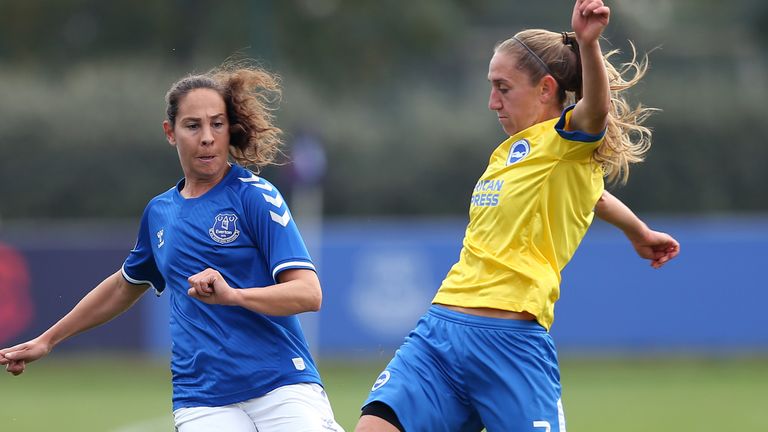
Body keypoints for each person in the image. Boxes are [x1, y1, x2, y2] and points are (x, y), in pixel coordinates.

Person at [355, 1, 680, 431]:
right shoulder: (514, 152)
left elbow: (596, 113)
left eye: (502, 87)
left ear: (546, 89)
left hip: (509, 344)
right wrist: (637, 231)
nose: (492, 102)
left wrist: (588, 44)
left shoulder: (567, 140)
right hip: (441, 333)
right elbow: (595, 196)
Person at [0, 61, 344, 432]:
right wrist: (48, 341)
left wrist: (234, 296)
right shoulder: (159, 212)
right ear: (170, 132)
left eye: (217, 124)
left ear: (230, 130)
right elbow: (123, 286)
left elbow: (309, 293)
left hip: (281, 384)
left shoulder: (255, 197)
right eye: (193, 126)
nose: (207, 137)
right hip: (201, 398)